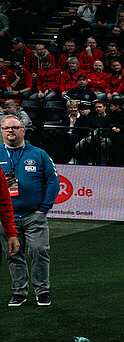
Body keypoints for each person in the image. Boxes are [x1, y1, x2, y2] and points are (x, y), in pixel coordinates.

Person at [1, 115, 58, 307]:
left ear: (23, 130)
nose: (11, 131)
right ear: (1, 131)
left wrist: (43, 209)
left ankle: (42, 291)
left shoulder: (39, 154)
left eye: (15, 127)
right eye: (6, 128)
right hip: (6, 218)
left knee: (39, 251)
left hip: (34, 215)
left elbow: (53, 181)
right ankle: (19, 292)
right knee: (13, 255)